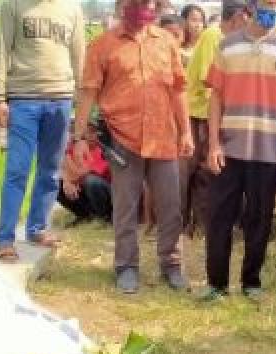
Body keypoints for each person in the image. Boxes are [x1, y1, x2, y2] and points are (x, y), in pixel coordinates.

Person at [74, 0, 194, 294]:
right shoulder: (102, 46)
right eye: (138, 2)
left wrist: (186, 132)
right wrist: (79, 137)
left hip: (163, 137)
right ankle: (126, 267)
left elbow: (178, 90)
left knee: (170, 206)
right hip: (122, 140)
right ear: (122, 5)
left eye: (151, 3)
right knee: (125, 207)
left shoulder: (167, 42)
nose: (145, 7)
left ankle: (172, 265)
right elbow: (88, 93)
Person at [200, 0, 276, 302]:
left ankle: (251, 283)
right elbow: (216, 97)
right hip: (229, 149)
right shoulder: (228, 45)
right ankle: (216, 284)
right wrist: (214, 144)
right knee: (220, 216)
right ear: (253, 6)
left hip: (270, 150)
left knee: (260, 218)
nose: (274, 7)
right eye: (268, 2)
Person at [0, 0, 86, 263]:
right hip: (23, 99)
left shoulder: (72, 9)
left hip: (61, 100)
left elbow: (80, 60)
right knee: (17, 170)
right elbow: (1, 50)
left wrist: (83, 108)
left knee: (51, 170)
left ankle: (37, 228)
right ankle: (5, 239)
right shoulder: (13, 5)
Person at [182, 0, 251, 238]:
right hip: (200, 112)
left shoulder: (224, 38)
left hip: (209, 112)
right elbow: (208, 81)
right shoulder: (214, 35)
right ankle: (200, 225)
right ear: (238, 18)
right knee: (203, 170)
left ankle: (201, 224)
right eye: (246, 18)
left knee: (206, 171)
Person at [58, 123, 113, 224]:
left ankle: (105, 216)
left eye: (94, 132)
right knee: (56, 183)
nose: (92, 136)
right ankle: (85, 215)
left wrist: (70, 179)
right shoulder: (71, 152)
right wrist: (66, 181)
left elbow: (86, 172)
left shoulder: (101, 151)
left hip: (108, 195)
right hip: (85, 191)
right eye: (88, 132)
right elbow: (60, 171)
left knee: (91, 181)